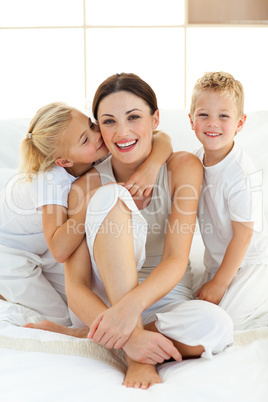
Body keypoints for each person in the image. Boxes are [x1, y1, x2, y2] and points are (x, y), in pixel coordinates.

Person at [41, 73, 232, 389]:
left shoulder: (183, 167)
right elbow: (75, 286)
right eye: (109, 122)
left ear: (155, 119)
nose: (122, 131)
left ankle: (96, 337)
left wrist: (131, 311)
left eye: (134, 117)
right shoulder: (86, 185)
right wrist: (130, 334)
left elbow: (175, 259)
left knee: (217, 326)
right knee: (112, 194)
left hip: (162, 299)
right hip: (101, 304)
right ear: (100, 129)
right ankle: (135, 355)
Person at [0, 101, 172, 326]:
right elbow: (60, 249)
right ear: (64, 161)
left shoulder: (91, 154)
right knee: (62, 318)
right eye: (85, 139)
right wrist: (88, 201)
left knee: (87, 298)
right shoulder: (51, 181)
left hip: (43, 246)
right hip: (11, 254)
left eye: (91, 125)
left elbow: (161, 138)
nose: (97, 135)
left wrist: (153, 166)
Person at [189, 71, 268, 330]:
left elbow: (243, 235)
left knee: (221, 325)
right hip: (218, 261)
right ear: (191, 120)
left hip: (251, 264)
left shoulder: (241, 173)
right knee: (195, 311)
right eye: (204, 115)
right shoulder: (195, 158)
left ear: (240, 123)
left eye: (223, 116)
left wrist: (220, 284)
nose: (213, 123)